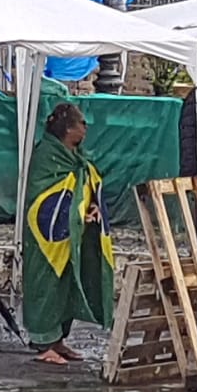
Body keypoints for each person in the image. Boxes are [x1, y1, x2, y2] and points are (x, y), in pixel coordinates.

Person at [22, 103, 115, 366]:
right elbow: (45, 196)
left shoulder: (77, 156)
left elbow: (85, 186)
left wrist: (93, 206)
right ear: (68, 128)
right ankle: (44, 343)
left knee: (68, 285)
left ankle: (59, 339)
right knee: (47, 283)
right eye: (82, 123)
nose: (86, 128)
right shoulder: (48, 157)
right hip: (47, 240)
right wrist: (74, 214)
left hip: (74, 236)